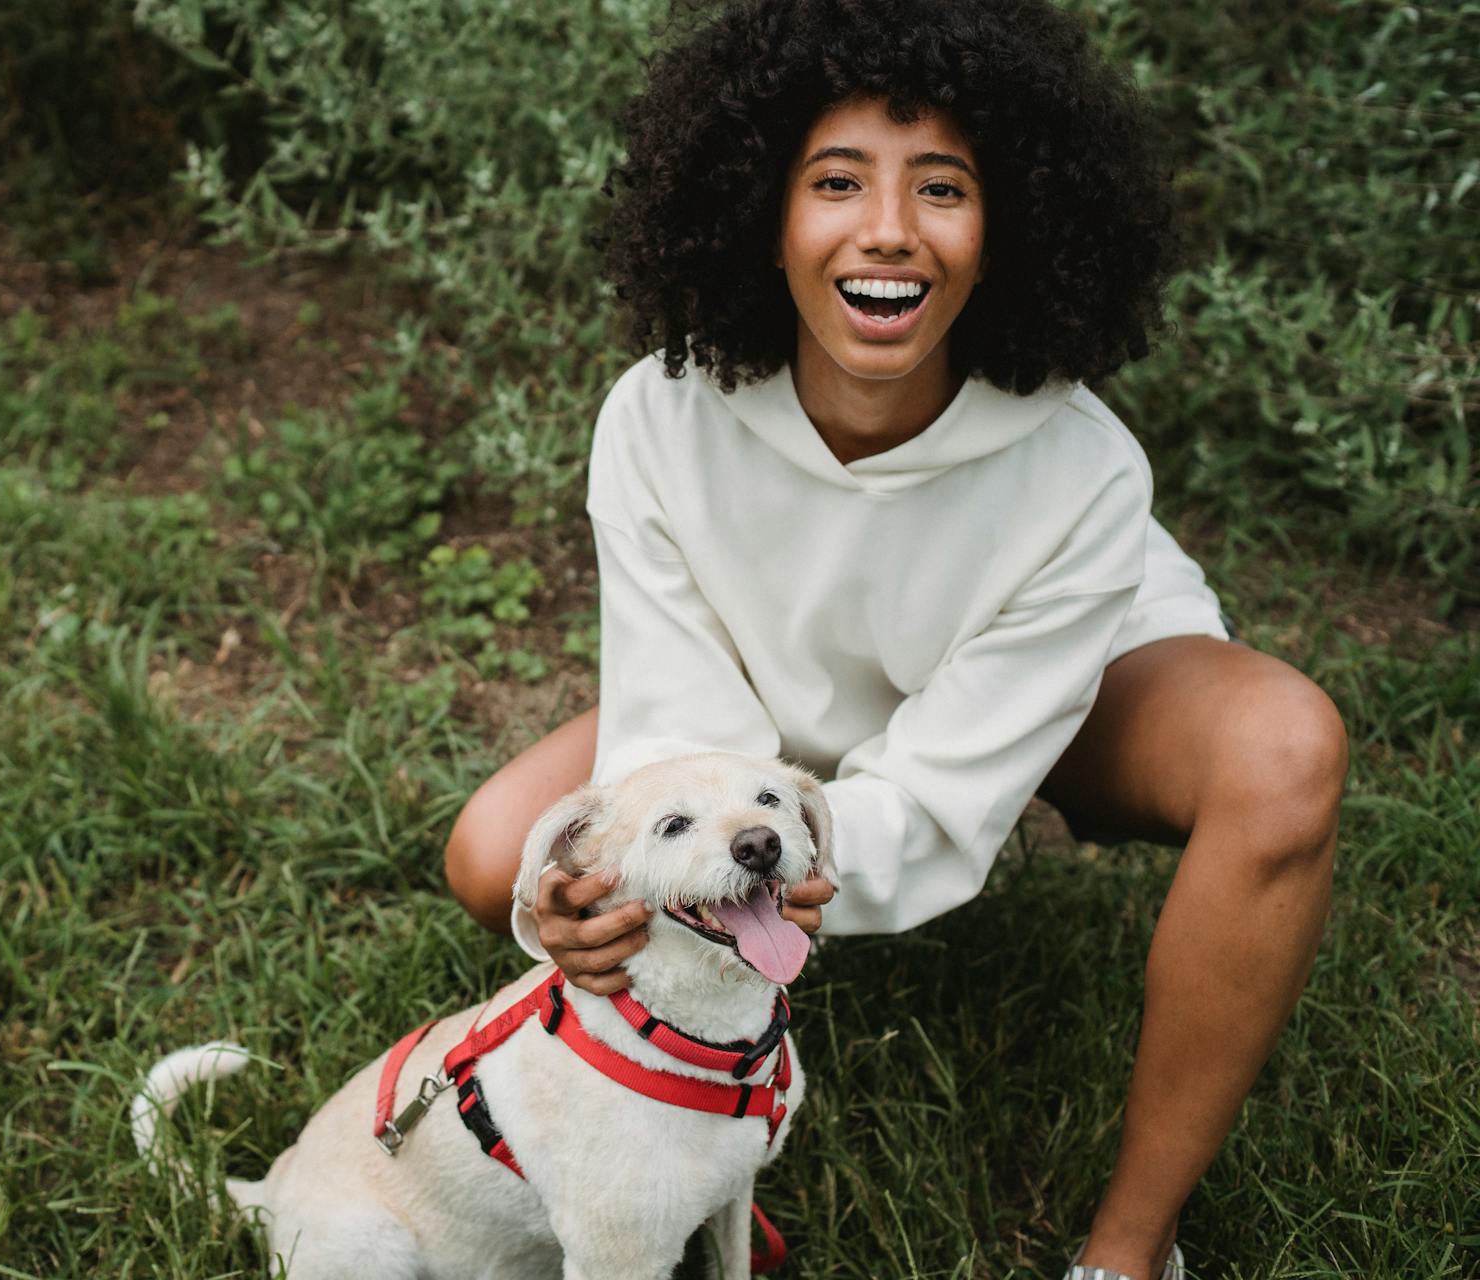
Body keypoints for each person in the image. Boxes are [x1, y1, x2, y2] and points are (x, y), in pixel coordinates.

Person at [442, 1, 1347, 1277]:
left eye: (943, 186)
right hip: (766, 716)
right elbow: (679, 730)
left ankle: (1129, 1250)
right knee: (500, 857)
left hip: (1044, 689)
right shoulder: (657, 418)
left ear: (1005, 230)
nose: (888, 229)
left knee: (1283, 748)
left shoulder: (1082, 470)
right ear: (762, 211)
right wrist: (627, 892)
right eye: (834, 180)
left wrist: (806, 856)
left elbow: (945, 791)